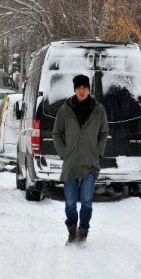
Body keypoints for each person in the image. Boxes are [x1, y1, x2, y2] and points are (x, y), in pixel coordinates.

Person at [52, 74, 109, 245]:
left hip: (90, 164)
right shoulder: (65, 109)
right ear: (75, 89)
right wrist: (64, 153)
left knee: (86, 201)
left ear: (89, 89)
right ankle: (71, 229)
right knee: (70, 202)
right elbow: (57, 133)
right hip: (71, 164)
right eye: (79, 88)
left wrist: (98, 151)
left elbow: (104, 133)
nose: (82, 91)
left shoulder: (98, 109)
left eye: (85, 88)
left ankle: (83, 230)